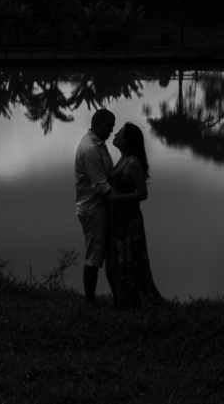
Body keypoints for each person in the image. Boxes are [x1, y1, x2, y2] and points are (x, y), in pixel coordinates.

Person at [105, 122, 164, 308]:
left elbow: (142, 194)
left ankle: (133, 301)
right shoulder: (121, 160)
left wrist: (115, 199)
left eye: (120, 132)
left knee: (129, 258)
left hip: (129, 219)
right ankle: (121, 300)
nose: (115, 134)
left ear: (127, 140)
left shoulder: (133, 163)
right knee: (115, 258)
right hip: (116, 217)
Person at [75, 108, 115, 305]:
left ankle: (115, 297)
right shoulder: (91, 149)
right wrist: (128, 199)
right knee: (94, 257)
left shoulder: (99, 143)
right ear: (97, 124)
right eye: (109, 127)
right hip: (94, 210)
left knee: (104, 255)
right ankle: (90, 301)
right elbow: (101, 186)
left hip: (99, 208)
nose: (111, 131)